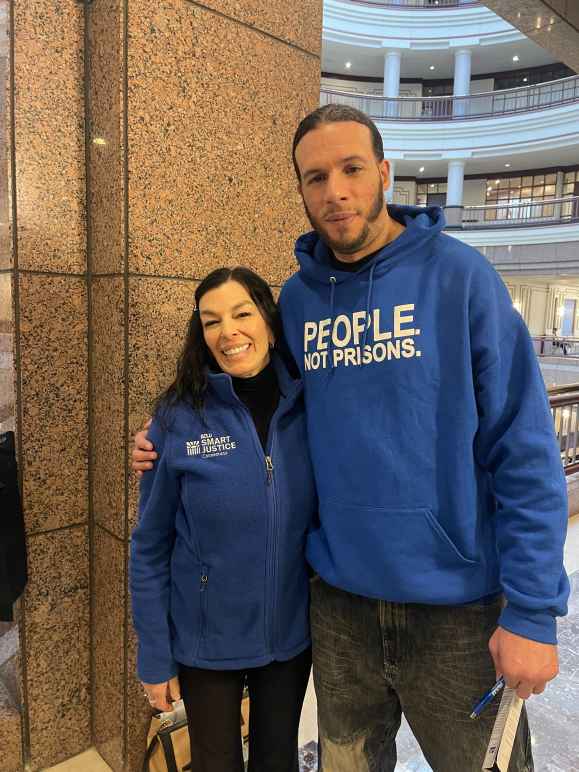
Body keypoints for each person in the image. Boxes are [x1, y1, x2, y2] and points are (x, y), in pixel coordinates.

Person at [133, 105, 569, 772]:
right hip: (338, 608)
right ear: (301, 192)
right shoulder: (300, 302)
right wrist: (165, 436)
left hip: (454, 610)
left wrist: (534, 611)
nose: (334, 191)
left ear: (384, 173)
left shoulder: (459, 279)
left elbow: (524, 448)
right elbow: (249, 394)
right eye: (314, 177)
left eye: (351, 169)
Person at [130, 267, 316, 772]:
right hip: (205, 641)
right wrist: (154, 655)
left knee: (277, 762)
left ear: (270, 324)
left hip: (289, 639)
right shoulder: (177, 418)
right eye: (211, 321)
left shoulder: (312, 407)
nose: (227, 332)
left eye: (241, 314)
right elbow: (149, 548)